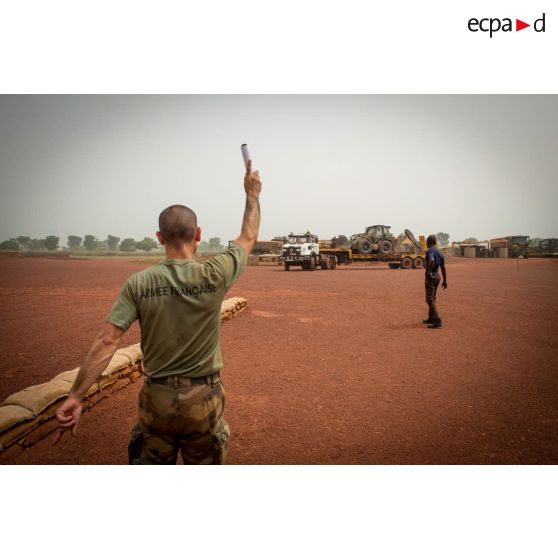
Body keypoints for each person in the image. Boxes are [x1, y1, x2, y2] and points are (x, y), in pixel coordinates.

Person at [53, 160, 262, 464]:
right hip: (204, 398)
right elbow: (248, 236)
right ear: (199, 234)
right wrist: (252, 194)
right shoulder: (215, 274)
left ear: (160, 237)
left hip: (157, 400)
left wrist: (76, 395)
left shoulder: (138, 283)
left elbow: (108, 341)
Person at [423, 234, 447, 328]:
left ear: (428, 243)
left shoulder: (430, 251)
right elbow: (443, 267)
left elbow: (432, 260)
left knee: (429, 299)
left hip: (431, 278)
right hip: (438, 277)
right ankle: (431, 318)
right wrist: (445, 280)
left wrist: (429, 272)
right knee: (433, 297)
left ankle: (437, 320)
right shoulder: (440, 253)